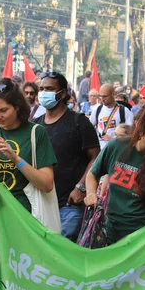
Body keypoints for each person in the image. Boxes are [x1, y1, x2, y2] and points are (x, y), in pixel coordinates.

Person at [85, 102, 145, 244]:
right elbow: (93, 174)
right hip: (108, 237)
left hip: (143, 243)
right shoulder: (116, 147)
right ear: (139, 123)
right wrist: (91, 193)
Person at [34, 73, 100, 241]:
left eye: (49, 89)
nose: (43, 93)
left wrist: (81, 187)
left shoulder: (79, 122)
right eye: (41, 89)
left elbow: (96, 158)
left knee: (64, 251)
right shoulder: (35, 124)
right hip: (42, 203)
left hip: (70, 204)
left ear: (62, 93)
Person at [0, 77, 57, 213]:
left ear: (17, 106)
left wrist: (16, 159)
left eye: (3, 110)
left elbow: (46, 184)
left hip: (25, 213)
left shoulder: (36, 132)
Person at [90, 84, 134, 149]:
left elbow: (132, 133)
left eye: (105, 96)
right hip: (100, 150)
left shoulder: (124, 111)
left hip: (117, 149)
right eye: (100, 96)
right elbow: (89, 127)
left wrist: (114, 138)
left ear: (113, 94)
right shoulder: (97, 109)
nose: (102, 99)